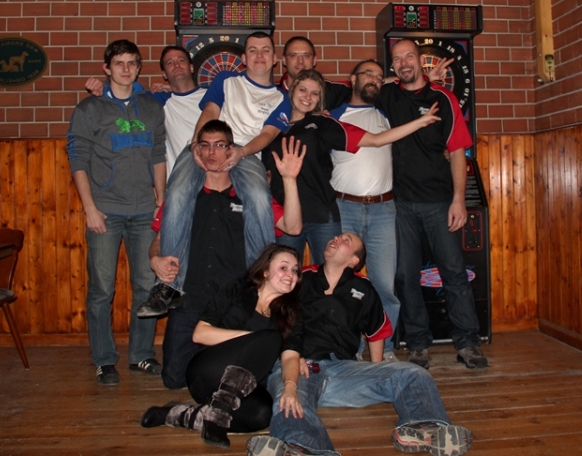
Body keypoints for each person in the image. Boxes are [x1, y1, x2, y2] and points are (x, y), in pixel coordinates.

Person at [246, 232, 473, 456]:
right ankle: (302, 448)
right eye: (336, 236)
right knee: (289, 399)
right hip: (298, 367)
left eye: (346, 240)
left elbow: (377, 331)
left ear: (354, 260)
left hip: (343, 371)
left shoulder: (364, 288)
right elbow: (269, 313)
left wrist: (377, 370)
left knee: (414, 374)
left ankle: (425, 428)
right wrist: (290, 355)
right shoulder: (300, 278)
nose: (336, 238)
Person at [138, 31, 291, 317]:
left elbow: (268, 134)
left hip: (246, 153)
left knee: (259, 199)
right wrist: (197, 144)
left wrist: (241, 153)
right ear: (243, 58)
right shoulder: (226, 80)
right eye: (253, 50)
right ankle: (168, 286)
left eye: (265, 50)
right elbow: (209, 111)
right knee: (177, 194)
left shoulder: (281, 98)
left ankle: (260, 285)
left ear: (274, 59)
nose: (259, 55)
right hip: (208, 143)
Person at [149, 119, 305, 389]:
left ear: (231, 150)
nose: (212, 152)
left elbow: (293, 227)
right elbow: (159, 239)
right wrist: (155, 259)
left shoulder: (252, 198)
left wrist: (289, 180)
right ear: (197, 151)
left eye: (220, 145)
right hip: (191, 294)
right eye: (205, 145)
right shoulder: (183, 197)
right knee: (173, 379)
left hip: (233, 301)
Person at [377, 39, 487, 370]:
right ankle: (418, 344)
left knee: (454, 272)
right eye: (397, 59)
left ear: (420, 60)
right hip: (400, 205)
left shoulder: (443, 98)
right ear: (393, 66)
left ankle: (468, 342)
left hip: (440, 203)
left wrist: (458, 200)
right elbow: (357, 85)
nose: (403, 63)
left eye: (409, 56)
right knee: (405, 276)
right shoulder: (387, 95)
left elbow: (457, 152)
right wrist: (388, 78)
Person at [66, 39, 167, 386]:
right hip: (105, 212)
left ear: (139, 68)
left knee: (146, 286)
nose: (126, 69)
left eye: (132, 63)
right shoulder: (89, 109)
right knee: (102, 289)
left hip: (144, 212)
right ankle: (104, 360)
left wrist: (161, 197)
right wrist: (90, 209)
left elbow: (158, 154)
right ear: (106, 68)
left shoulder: (151, 107)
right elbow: (77, 159)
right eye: (119, 63)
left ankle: (141, 354)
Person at [263, 69, 440, 264]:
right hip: (286, 216)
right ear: (292, 90)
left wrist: (419, 122)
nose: (308, 97)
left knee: (331, 273)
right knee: (284, 271)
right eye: (303, 90)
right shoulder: (272, 128)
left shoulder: (323, 123)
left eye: (315, 93)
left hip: (322, 215)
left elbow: (376, 140)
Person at [141, 245, 304, 450]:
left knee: (262, 414)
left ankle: (179, 414)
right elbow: (200, 333)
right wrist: (255, 339)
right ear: (265, 271)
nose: (290, 275)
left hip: (244, 389)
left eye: (295, 270)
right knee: (272, 339)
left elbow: (291, 356)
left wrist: (290, 387)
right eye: (283, 267)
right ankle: (217, 415)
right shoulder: (238, 289)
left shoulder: (293, 312)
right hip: (208, 373)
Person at [328, 59, 401, 360]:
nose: (374, 79)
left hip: (384, 209)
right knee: (343, 283)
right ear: (353, 78)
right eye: (368, 74)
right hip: (345, 207)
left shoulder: (386, 115)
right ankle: (348, 349)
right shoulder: (333, 116)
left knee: (385, 286)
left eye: (380, 77)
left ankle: (385, 349)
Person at [85, 45, 206, 179]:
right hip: (180, 181)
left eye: (181, 60)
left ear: (191, 67)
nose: (176, 65)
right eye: (169, 63)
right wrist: (103, 87)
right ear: (164, 74)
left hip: (215, 177)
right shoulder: (158, 100)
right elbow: (124, 90)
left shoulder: (212, 96)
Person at [278, 36, 351, 111]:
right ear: (284, 60)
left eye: (306, 56)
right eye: (293, 55)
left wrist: (330, 116)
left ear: (314, 60)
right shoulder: (273, 93)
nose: (300, 61)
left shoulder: (337, 92)